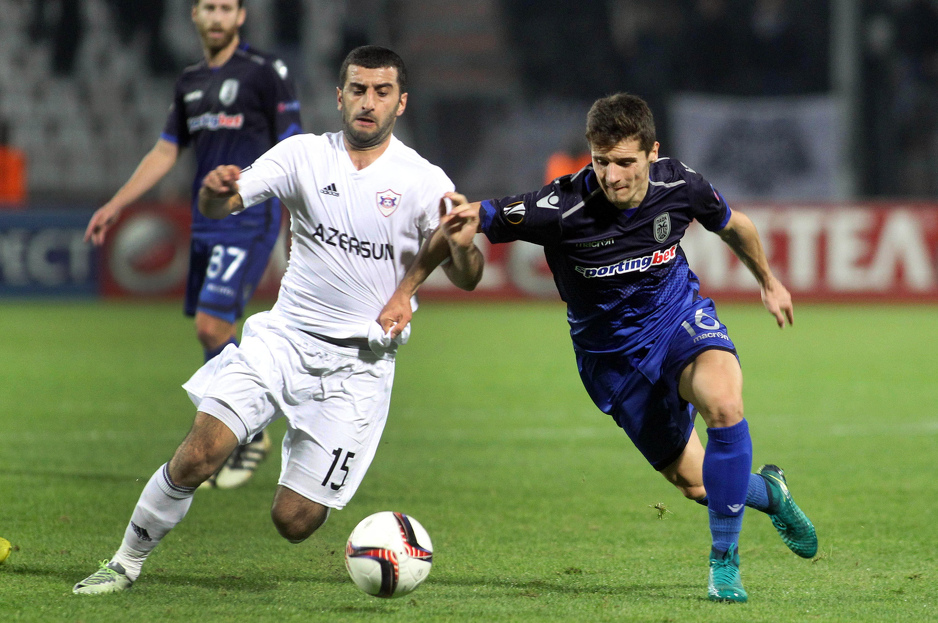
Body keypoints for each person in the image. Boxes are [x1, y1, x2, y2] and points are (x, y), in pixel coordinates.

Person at [72, 44, 483, 596]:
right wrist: (216, 196)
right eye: (358, 89)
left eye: (382, 92)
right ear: (339, 97)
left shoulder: (423, 180)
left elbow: (468, 273)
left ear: (401, 103)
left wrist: (457, 248)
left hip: (358, 369)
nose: (368, 102)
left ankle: (295, 450)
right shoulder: (301, 156)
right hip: (283, 340)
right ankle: (124, 562)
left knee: (294, 521)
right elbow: (227, 202)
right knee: (201, 452)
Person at [378, 93, 817, 603]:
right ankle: (773, 495)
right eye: (601, 162)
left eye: (625, 162)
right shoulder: (560, 207)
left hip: (677, 318)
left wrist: (768, 280)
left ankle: (724, 565)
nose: (612, 176)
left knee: (724, 402)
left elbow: (736, 225)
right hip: (611, 361)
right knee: (697, 484)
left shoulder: (681, 185)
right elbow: (465, 222)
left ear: (653, 152)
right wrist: (406, 290)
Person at [84, 0, 304, 488]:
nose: (218, 16)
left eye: (227, 7)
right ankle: (231, 428)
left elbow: (294, 141)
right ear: (195, 16)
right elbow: (166, 150)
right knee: (207, 332)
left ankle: (245, 430)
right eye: (209, 7)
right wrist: (116, 203)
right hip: (206, 219)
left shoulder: (267, 72)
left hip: (247, 212)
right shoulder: (189, 83)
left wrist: (283, 197)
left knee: (211, 328)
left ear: (241, 16)